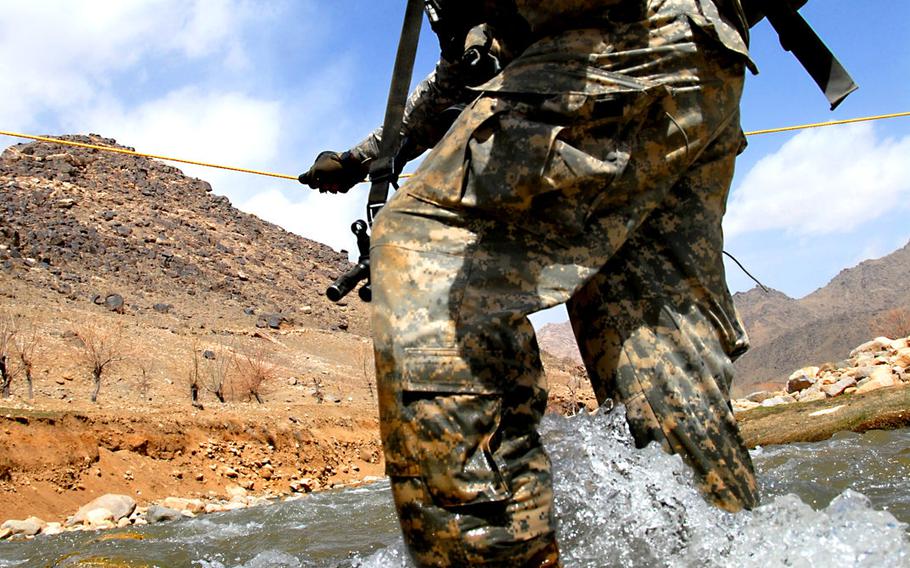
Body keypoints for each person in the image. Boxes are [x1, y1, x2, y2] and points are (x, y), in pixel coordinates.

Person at [302, 1, 762, 565]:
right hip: (696, 61)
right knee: (655, 354)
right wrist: (363, 157)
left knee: (426, 250)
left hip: (618, 52)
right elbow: (467, 65)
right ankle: (737, 546)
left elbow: (471, 58)